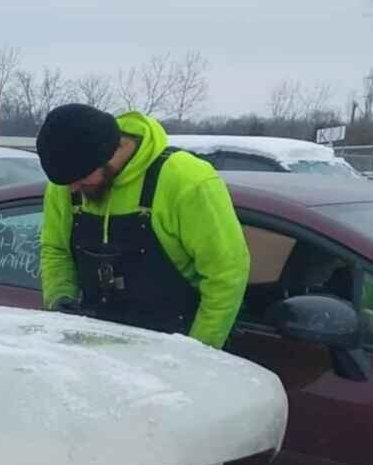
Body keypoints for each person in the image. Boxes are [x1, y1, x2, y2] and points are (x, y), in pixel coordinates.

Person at [35, 104, 248, 347]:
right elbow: (56, 249)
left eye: (80, 180)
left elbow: (226, 275)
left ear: (108, 154)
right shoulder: (68, 184)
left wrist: (196, 352)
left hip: (175, 346)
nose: (73, 189)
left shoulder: (186, 180)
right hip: (97, 351)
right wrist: (59, 298)